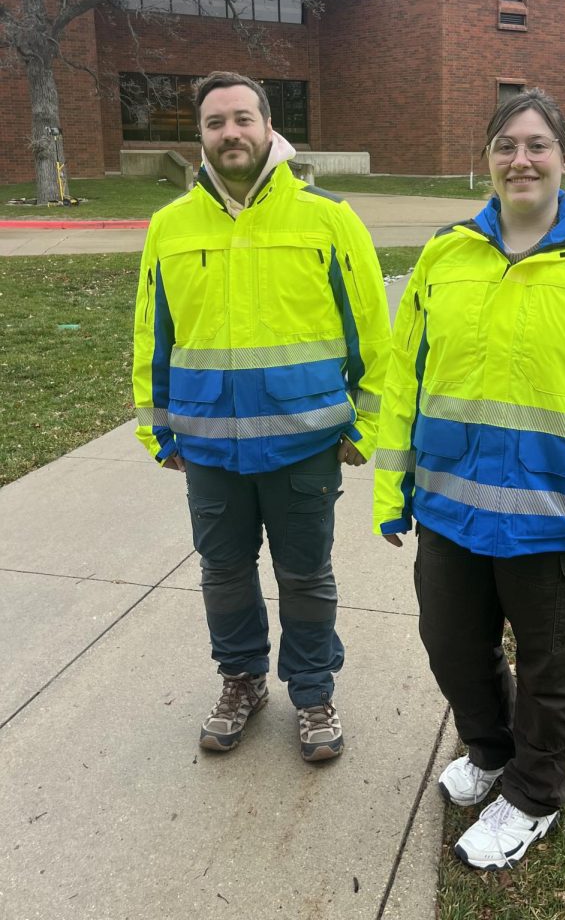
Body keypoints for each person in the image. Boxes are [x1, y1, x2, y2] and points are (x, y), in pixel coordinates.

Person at [372, 88, 565, 869]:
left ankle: (535, 794)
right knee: (451, 647)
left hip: (556, 517)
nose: (521, 158)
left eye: (537, 144)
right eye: (506, 144)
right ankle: (490, 748)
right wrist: (391, 489)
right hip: (450, 510)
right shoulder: (447, 253)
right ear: (486, 158)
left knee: (552, 666)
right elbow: (402, 377)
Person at [133, 70, 391, 761]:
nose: (231, 133)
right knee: (223, 572)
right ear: (201, 136)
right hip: (209, 446)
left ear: (269, 126)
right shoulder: (169, 228)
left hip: (305, 445)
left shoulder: (328, 218)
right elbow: (152, 335)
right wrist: (158, 429)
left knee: (306, 575)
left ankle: (313, 693)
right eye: (216, 123)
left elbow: (372, 332)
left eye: (243, 119)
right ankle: (242, 679)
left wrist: (363, 426)